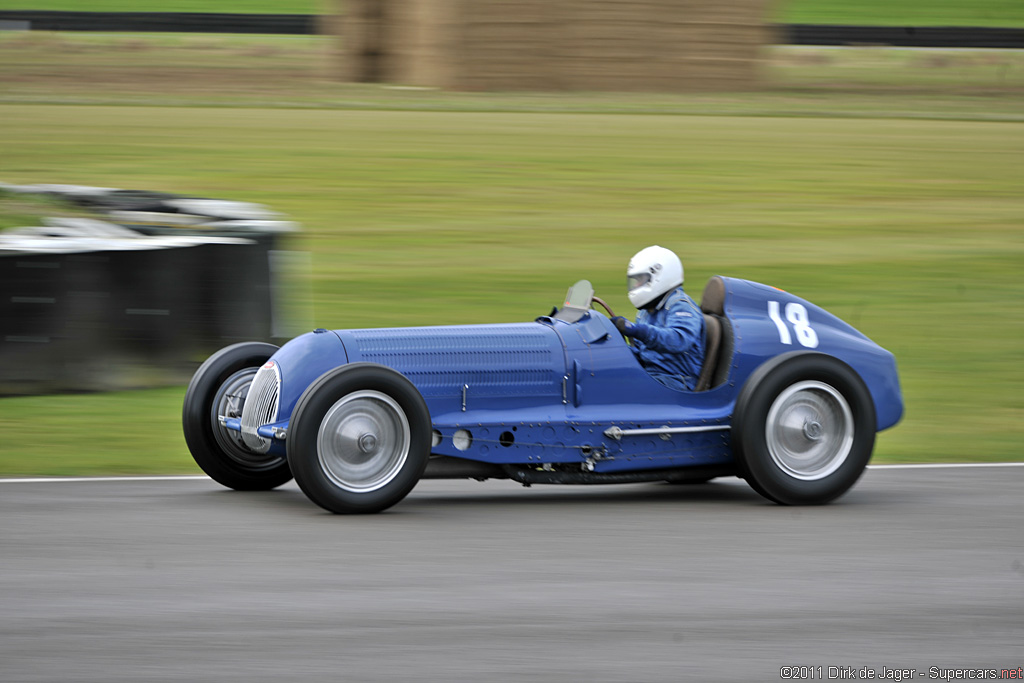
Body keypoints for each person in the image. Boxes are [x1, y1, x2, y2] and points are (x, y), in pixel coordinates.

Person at [611, 245, 706, 391]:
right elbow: (642, 352)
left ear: (658, 277)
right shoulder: (646, 312)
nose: (636, 285)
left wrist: (636, 330)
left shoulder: (680, 305)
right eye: (634, 281)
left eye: (640, 280)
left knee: (623, 390)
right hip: (653, 374)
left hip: (677, 379)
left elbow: (678, 340)